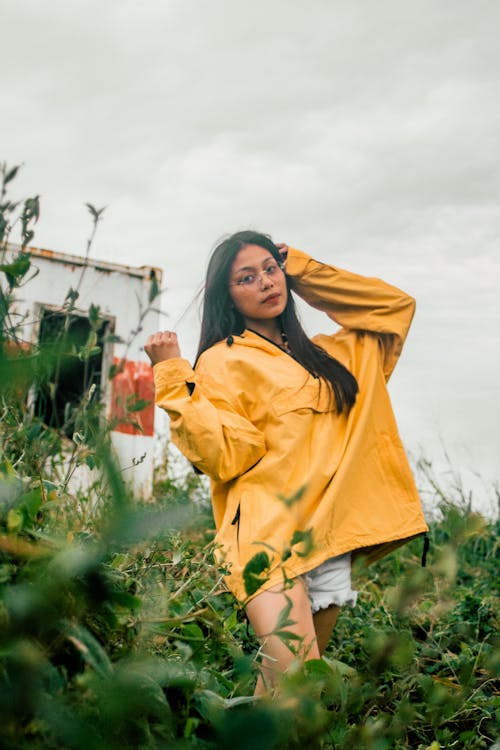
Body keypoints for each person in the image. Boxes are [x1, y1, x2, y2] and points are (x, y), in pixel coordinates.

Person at [145, 230, 428, 694]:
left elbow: (394, 307)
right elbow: (222, 456)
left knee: (292, 694)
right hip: (266, 538)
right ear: (228, 296)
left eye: (270, 270)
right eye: (247, 277)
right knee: (293, 678)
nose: (265, 283)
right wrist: (173, 375)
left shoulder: (332, 355)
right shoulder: (221, 361)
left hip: (328, 538)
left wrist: (303, 268)